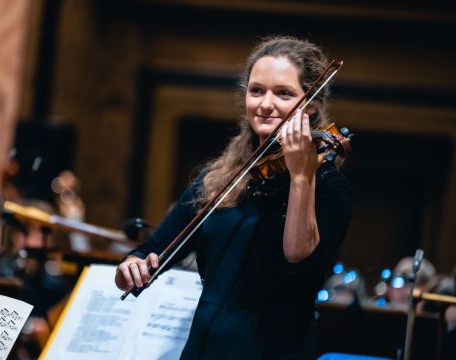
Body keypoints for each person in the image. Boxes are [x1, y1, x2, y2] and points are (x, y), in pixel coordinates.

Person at [115, 35, 353, 359]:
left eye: (283, 93)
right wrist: (131, 266)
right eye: (257, 90)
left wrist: (301, 175)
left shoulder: (327, 186)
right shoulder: (220, 178)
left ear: (310, 105)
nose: (265, 104)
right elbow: (152, 250)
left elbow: (298, 255)